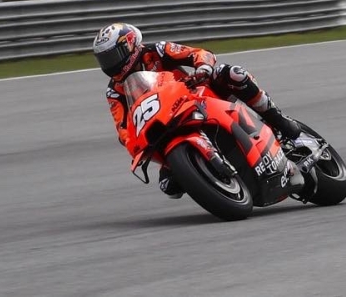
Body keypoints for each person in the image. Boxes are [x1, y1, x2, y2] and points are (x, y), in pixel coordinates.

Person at [93, 21, 301, 198]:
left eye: (112, 56)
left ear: (130, 46)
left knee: (233, 74)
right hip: (166, 125)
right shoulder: (114, 92)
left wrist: (203, 68)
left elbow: (198, 53)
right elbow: (123, 129)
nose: (110, 65)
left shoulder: (157, 51)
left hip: (197, 96)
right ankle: (208, 175)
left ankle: (280, 121)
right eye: (104, 60)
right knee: (169, 187)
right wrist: (135, 144)